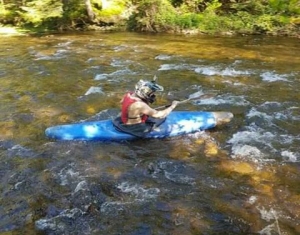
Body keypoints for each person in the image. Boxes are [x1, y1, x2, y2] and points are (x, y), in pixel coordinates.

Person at [113, 79, 179, 137]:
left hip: (123, 121)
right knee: (161, 119)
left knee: (149, 115)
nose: (151, 95)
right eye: (150, 93)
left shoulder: (129, 94)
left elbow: (121, 102)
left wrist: (134, 112)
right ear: (143, 92)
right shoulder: (140, 105)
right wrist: (173, 106)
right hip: (134, 128)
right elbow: (159, 115)